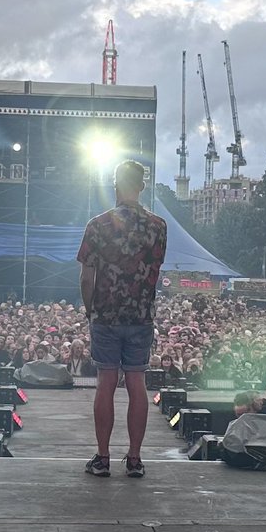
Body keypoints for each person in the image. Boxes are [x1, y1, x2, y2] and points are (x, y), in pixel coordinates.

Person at [77, 160, 167, 479]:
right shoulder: (158, 227)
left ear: (115, 185)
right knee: (136, 382)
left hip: (106, 313)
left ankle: (103, 458)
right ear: (142, 186)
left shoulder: (98, 224)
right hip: (141, 315)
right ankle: (135, 459)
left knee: (106, 382)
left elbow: (88, 276)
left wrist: (91, 309)